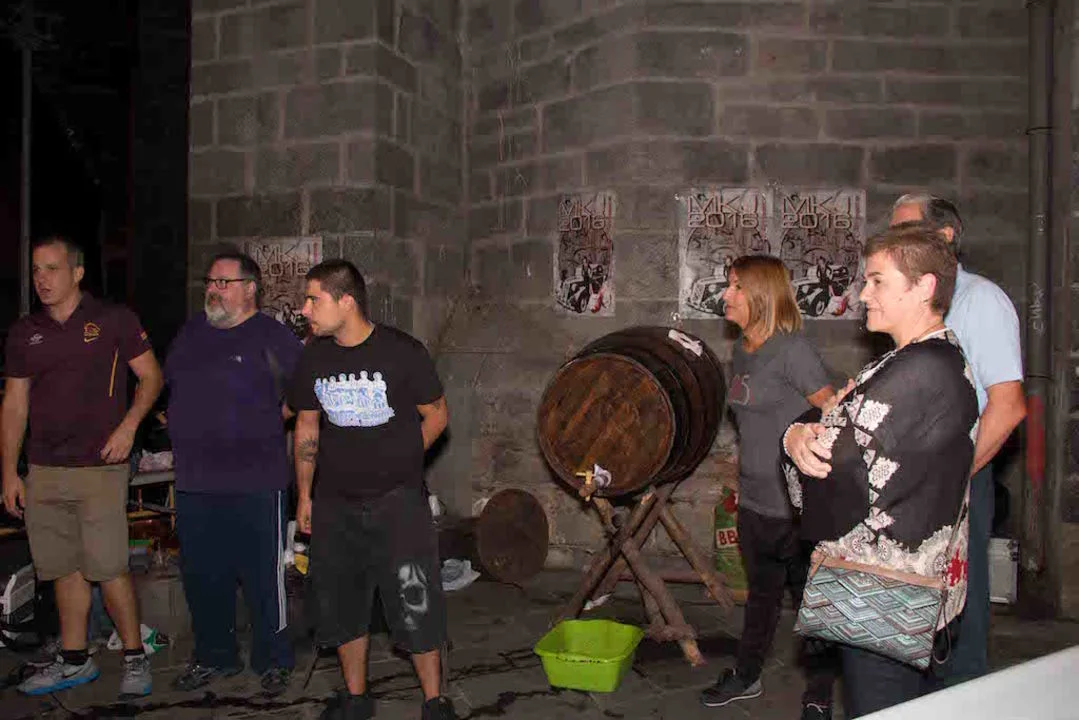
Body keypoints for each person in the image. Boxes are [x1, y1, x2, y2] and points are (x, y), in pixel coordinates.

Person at [783, 225, 979, 717]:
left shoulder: (916, 370)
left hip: (885, 597)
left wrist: (792, 438)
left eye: (877, 281)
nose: (863, 294)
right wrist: (821, 424)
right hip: (908, 592)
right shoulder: (931, 356)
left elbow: (829, 466)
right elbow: (843, 425)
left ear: (924, 286)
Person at [288, 260, 453, 720]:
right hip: (335, 504)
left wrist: (403, 459)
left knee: (415, 598)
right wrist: (305, 495)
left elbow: (437, 414)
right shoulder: (314, 357)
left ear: (346, 301)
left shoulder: (401, 352)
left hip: (398, 503)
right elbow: (306, 426)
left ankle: (434, 701)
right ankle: (357, 698)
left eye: (313, 299)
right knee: (343, 603)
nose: (304, 309)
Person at [2, 235, 163, 698]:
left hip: (100, 467)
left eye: (52, 269)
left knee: (108, 566)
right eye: (36, 270)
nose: (41, 279)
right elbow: (14, 404)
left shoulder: (113, 319)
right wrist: (9, 472)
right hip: (44, 469)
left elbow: (152, 377)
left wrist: (129, 427)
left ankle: (134, 656)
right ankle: (75, 660)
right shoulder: (25, 332)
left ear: (77, 273)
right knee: (62, 567)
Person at [889, 195, 1025, 682]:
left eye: (905, 230)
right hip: (921, 479)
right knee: (923, 611)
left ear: (945, 237)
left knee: (960, 614)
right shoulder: (919, 301)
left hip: (960, 476)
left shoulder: (980, 301)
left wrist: (956, 478)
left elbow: (1008, 405)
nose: (893, 242)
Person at [699, 255, 837, 720]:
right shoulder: (743, 350)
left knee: (811, 606)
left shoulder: (793, 351)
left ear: (760, 294)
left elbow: (832, 413)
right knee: (760, 597)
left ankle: (819, 695)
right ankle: (747, 674)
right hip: (755, 502)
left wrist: (813, 475)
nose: (725, 294)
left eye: (736, 286)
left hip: (795, 509)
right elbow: (752, 425)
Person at [165, 251, 301, 695]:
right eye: (210, 281)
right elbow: (173, 387)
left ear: (250, 289)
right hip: (195, 482)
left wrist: (268, 421)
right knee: (203, 578)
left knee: (263, 578)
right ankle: (214, 656)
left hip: (256, 481)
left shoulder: (272, 336)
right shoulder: (190, 333)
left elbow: (303, 392)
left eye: (223, 282)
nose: (213, 290)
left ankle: (273, 660)